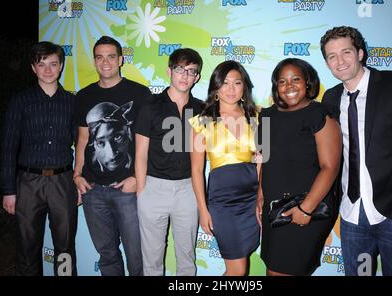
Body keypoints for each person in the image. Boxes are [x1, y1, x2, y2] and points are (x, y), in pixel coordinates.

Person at [320, 26, 392, 276]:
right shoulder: (330, 99)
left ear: (360, 53)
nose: (340, 61)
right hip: (352, 216)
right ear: (327, 63)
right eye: (332, 56)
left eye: (346, 52)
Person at [255, 58, 341, 276]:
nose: (289, 86)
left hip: (307, 206)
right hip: (274, 207)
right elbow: (265, 159)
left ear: (308, 82)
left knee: (282, 271)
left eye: (296, 79)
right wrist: (260, 196)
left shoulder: (319, 115)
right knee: (273, 269)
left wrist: (306, 208)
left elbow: (330, 167)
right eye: (282, 81)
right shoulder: (267, 115)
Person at [73, 36, 151, 276]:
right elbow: (82, 140)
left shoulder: (139, 93)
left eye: (110, 56)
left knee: (137, 258)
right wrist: (77, 175)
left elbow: (148, 143)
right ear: (95, 61)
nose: (105, 62)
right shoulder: (83, 96)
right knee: (107, 257)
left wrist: (139, 179)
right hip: (93, 191)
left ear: (120, 60)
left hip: (128, 191)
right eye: (99, 57)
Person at [0, 41, 78, 276]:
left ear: (61, 66)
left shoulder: (72, 102)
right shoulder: (20, 101)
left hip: (63, 182)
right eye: (41, 64)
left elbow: (82, 144)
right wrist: (8, 190)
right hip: (28, 184)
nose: (47, 70)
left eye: (53, 64)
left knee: (65, 249)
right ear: (33, 68)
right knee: (27, 247)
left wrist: (80, 180)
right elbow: (8, 147)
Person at [134, 48, 204, 276]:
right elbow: (141, 154)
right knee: (152, 261)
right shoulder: (150, 106)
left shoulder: (202, 109)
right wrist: (142, 192)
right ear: (169, 71)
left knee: (187, 259)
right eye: (180, 69)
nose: (185, 75)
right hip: (153, 188)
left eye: (191, 71)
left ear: (197, 77)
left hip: (188, 190)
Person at [189, 60, 260, 276]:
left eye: (237, 83)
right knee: (237, 270)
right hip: (223, 202)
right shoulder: (202, 121)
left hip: (253, 200)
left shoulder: (257, 117)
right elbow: (196, 170)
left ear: (244, 87)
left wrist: (261, 198)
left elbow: (261, 161)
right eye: (225, 83)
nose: (231, 89)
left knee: (241, 266)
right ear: (216, 87)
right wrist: (203, 210)